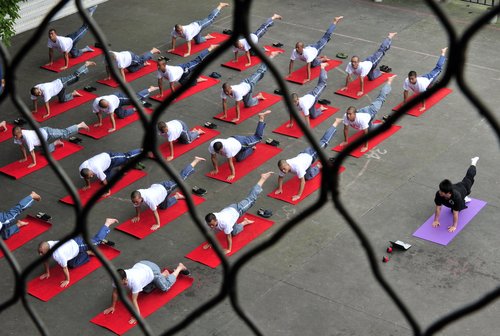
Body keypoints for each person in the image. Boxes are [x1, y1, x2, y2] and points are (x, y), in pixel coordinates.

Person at [204, 171, 273, 254]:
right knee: (235, 231)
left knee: (251, 199)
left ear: (215, 220)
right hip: (230, 214)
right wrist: (209, 243)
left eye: (212, 224)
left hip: (237, 209)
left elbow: (228, 237)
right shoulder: (211, 220)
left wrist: (229, 249)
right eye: (209, 225)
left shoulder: (224, 223)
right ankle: (245, 222)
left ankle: (262, 178)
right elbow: (210, 232)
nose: (211, 226)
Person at [38, 218, 118, 288]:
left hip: (78, 244)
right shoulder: (48, 244)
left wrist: (67, 280)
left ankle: (107, 223)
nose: (40, 254)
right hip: (71, 248)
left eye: (41, 252)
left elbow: (64, 268)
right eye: (39, 252)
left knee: (96, 241)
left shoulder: (57, 254)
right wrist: (47, 273)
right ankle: (88, 252)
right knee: (72, 265)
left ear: (47, 249)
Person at [103, 260, 190, 325]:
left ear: (125, 279)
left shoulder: (134, 281)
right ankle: (163, 275)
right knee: (146, 290)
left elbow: (134, 300)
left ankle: (179, 268)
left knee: (165, 287)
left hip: (152, 270)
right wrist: (112, 307)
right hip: (142, 266)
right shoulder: (116, 278)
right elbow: (115, 293)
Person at [130, 156, 205, 231]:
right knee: (163, 207)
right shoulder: (136, 195)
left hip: (166, 188)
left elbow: (155, 212)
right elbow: (137, 206)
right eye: (134, 201)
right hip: (158, 190)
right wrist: (137, 216)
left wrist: (157, 224)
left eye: (136, 201)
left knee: (181, 177)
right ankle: (177, 196)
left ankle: (195, 160)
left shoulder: (149, 200)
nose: (135, 203)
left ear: (140, 197)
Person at [276, 118, 343, 201]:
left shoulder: (297, 167)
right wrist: (279, 188)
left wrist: (298, 195)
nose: (283, 170)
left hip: (311, 153)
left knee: (324, 141)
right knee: (308, 177)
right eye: (282, 169)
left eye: (284, 168)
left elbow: (302, 182)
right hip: (305, 161)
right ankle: (319, 165)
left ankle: (336, 123)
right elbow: (280, 177)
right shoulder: (283, 167)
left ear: (287, 164)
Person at [209, 110, 271, 181]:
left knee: (258, 138)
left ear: (222, 147)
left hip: (241, 143)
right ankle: (251, 147)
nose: (219, 153)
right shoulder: (212, 145)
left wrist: (232, 174)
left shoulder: (227, 149)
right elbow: (213, 157)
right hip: (234, 142)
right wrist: (216, 169)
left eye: (219, 151)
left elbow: (230, 162)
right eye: (217, 152)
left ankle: (261, 118)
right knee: (239, 159)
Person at [340, 75, 396, 153]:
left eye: (350, 114)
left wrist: (365, 146)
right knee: (371, 129)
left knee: (381, 98)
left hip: (371, 110)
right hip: (363, 114)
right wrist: (346, 141)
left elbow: (366, 134)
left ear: (354, 114)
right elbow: (346, 129)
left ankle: (389, 81)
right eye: (347, 114)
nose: (348, 116)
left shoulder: (361, 120)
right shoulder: (346, 116)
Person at [221, 51, 279, 122]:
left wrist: (237, 118)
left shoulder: (236, 92)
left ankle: (271, 56)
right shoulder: (224, 90)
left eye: (227, 91)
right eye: (225, 91)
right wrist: (225, 114)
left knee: (261, 71)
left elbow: (237, 106)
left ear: (230, 88)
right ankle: (258, 96)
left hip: (249, 83)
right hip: (246, 92)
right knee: (248, 105)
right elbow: (224, 102)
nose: (226, 93)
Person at [30, 61, 96, 118]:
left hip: (62, 82)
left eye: (39, 92)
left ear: (38, 88)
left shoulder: (45, 90)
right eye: (38, 94)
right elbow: (34, 100)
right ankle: (73, 93)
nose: (40, 93)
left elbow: (46, 103)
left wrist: (48, 113)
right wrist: (35, 109)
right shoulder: (35, 89)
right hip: (59, 90)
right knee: (62, 100)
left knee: (75, 76)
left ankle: (86, 64)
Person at [340, 32, 397, 97]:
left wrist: (361, 91)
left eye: (355, 62)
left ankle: (389, 37)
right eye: (352, 61)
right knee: (371, 78)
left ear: (358, 62)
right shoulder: (350, 65)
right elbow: (348, 76)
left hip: (372, 61)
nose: (353, 63)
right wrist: (346, 86)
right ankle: (380, 71)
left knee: (381, 50)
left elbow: (361, 80)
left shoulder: (362, 67)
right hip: (368, 67)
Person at [289, 16, 343, 83]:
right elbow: (291, 62)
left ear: (302, 48)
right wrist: (290, 74)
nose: (296, 49)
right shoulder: (295, 51)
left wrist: (308, 78)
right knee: (313, 65)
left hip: (316, 48)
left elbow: (308, 68)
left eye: (298, 47)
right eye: (296, 47)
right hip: (310, 48)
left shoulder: (307, 54)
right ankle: (323, 59)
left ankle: (335, 21)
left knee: (326, 36)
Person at [12, 122, 90, 168]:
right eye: (14, 135)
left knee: (64, 133)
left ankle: (80, 125)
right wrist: (25, 158)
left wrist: (34, 163)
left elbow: (32, 151)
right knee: (46, 152)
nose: (15, 137)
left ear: (20, 132)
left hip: (47, 132)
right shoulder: (17, 137)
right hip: (41, 141)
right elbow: (22, 147)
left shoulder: (27, 136)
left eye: (16, 135)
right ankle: (56, 142)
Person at [433, 157, 479, 233]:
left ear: (448, 193)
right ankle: (464, 198)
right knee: (452, 206)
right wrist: (436, 220)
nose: (439, 192)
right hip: (456, 189)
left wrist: (454, 226)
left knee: (469, 176)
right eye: (440, 190)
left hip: (464, 187)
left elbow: (455, 213)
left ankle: (473, 162)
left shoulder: (456, 197)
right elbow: (438, 208)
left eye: (442, 191)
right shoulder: (439, 193)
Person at [46, 5, 97, 70]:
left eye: (52, 34)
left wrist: (66, 66)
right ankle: (86, 49)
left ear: (56, 34)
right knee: (75, 55)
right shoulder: (50, 40)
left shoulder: (61, 42)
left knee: (85, 27)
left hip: (72, 39)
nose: (50, 35)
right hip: (69, 44)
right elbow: (51, 52)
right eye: (49, 34)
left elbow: (65, 54)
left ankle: (90, 12)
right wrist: (50, 62)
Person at [92, 86, 159, 133]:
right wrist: (100, 123)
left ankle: (150, 89)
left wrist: (113, 128)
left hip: (119, 98)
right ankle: (136, 108)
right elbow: (98, 113)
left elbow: (111, 116)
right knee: (121, 115)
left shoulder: (110, 104)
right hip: (116, 105)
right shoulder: (95, 104)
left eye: (108, 106)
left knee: (135, 98)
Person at [403, 47, 448, 112]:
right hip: (423, 79)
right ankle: (434, 84)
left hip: (429, 77)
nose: (410, 80)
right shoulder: (407, 80)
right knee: (429, 87)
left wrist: (423, 106)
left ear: (416, 77)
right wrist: (405, 102)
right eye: (410, 79)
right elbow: (405, 91)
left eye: (412, 79)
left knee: (438, 68)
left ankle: (443, 53)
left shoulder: (420, 85)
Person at [289, 62, 329, 128]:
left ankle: (322, 67)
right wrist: (291, 123)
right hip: (310, 102)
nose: (294, 103)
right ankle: (321, 108)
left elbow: (306, 117)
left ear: (298, 99)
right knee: (313, 116)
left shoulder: (303, 105)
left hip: (313, 95)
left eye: (295, 102)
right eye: (293, 102)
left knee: (322, 84)